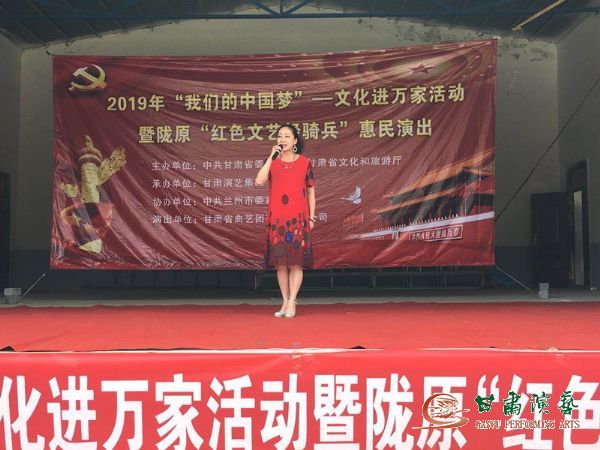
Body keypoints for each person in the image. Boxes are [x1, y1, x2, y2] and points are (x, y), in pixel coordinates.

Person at [255, 124, 316, 318]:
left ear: (295, 140)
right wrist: (270, 158)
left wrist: (311, 216)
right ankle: (284, 300)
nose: (282, 139)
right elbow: (259, 181)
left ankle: (292, 301)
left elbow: (311, 191)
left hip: (298, 219)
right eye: (280, 136)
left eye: (287, 136)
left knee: (296, 263)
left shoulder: (305, 162)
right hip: (278, 220)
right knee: (280, 264)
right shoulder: (272, 161)